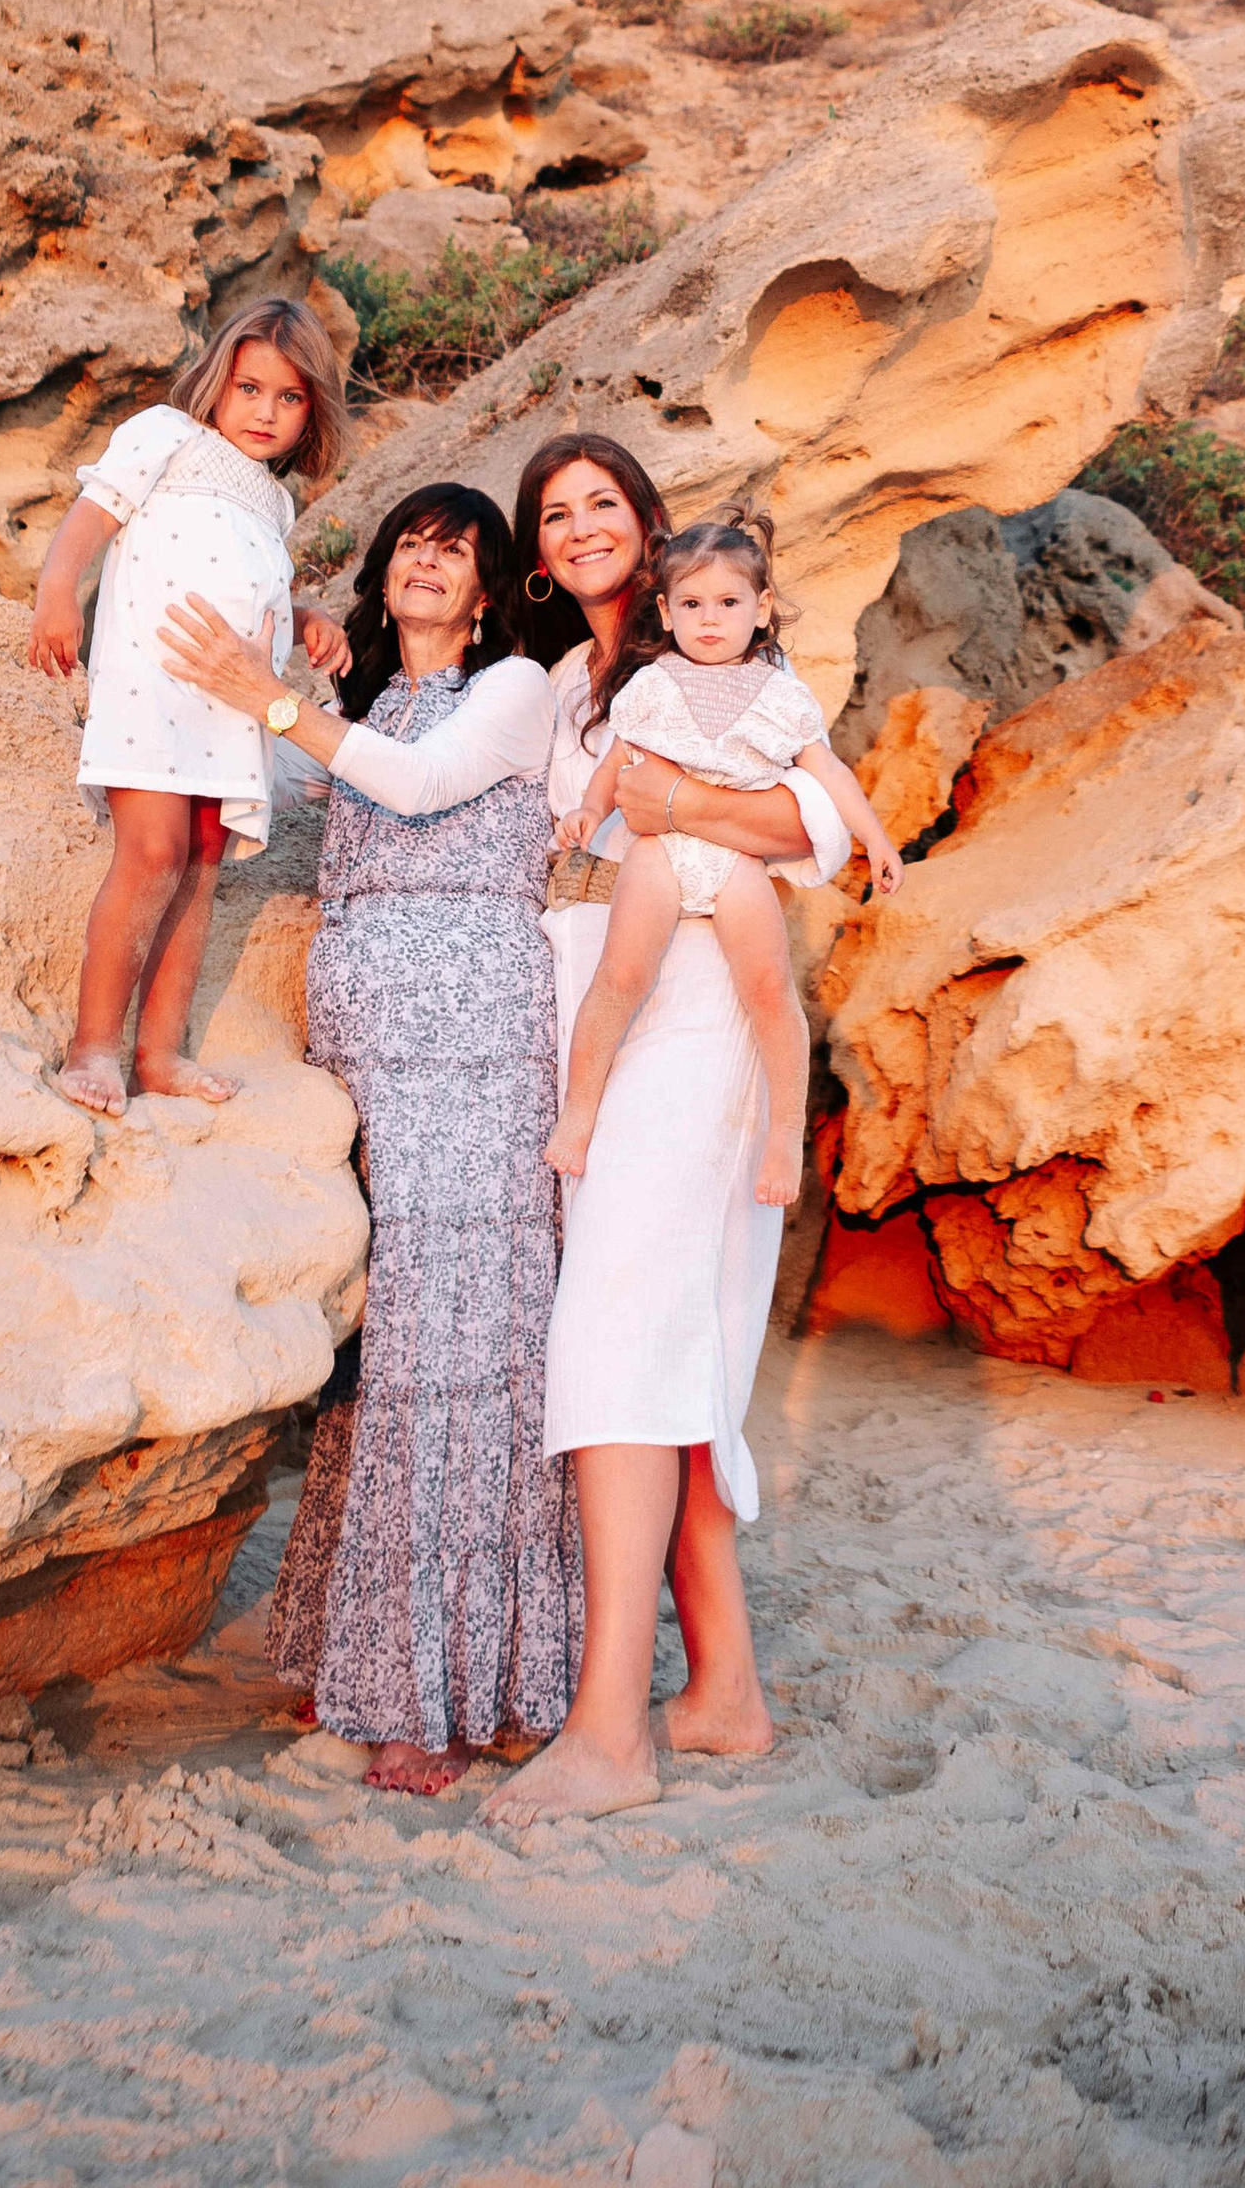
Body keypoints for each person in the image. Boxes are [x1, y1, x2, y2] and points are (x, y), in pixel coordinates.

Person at [156, 485, 576, 1797]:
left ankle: (444, 1700)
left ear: (495, 582)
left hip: (477, 1042)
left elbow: (422, 786)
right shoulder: (368, 702)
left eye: (456, 549)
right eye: (410, 545)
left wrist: (274, 697)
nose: (428, 563)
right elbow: (274, 783)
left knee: (462, 1348)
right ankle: (364, 1662)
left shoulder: (516, 690)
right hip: (367, 1047)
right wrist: (282, 670)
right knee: (383, 1355)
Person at [487, 436, 853, 1827]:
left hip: (696, 1032)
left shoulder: (718, 671)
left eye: (604, 505)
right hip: (597, 1021)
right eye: (556, 511)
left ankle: (609, 1736)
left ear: (650, 525)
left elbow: (813, 821)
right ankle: (725, 1695)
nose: (581, 526)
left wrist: (678, 806)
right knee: (667, 1357)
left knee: (617, 1350)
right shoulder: (568, 684)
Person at [26, 296, 351, 1116]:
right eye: (250, 388)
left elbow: (252, 583)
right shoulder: (163, 436)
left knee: (202, 862)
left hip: (230, 708)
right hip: (155, 682)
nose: (266, 412)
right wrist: (57, 591)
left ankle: (160, 1052)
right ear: (217, 380)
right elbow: (88, 520)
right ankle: (93, 1046)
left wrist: (306, 617)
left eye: (289, 398)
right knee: (154, 851)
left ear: (312, 408)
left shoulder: (275, 503)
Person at [550, 506, 900, 1213]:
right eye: (693, 604)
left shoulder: (783, 696)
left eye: (729, 603)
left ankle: (781, 1133)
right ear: (666, 611)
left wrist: (879, 838)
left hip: (737, 858)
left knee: (769, 989)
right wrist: (589, 810)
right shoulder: (651, 683)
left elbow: (830, 775)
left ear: (762, 607)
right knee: (620, 975)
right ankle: (580, 1110)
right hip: (658, 852)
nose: (711, 620)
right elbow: (619, 758)